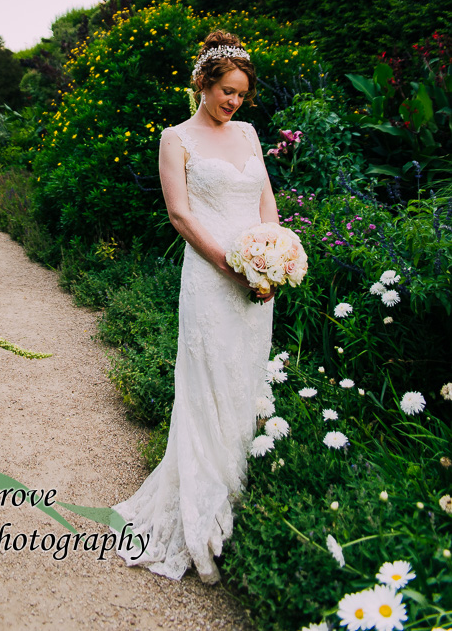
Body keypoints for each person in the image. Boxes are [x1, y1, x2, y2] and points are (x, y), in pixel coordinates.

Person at [111, 30, 279, 584]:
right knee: (207, 382)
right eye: (227, 91)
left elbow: (266, 205)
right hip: (211, 278)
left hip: (257, 281)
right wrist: (231, 265)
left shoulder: (250, 134)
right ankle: (201, 509)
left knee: (243, 379)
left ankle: (242, 486)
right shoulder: (176, 139)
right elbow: (181, 217)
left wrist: (272, 260)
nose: (234, 102)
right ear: (204, 84)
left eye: (241, 94)